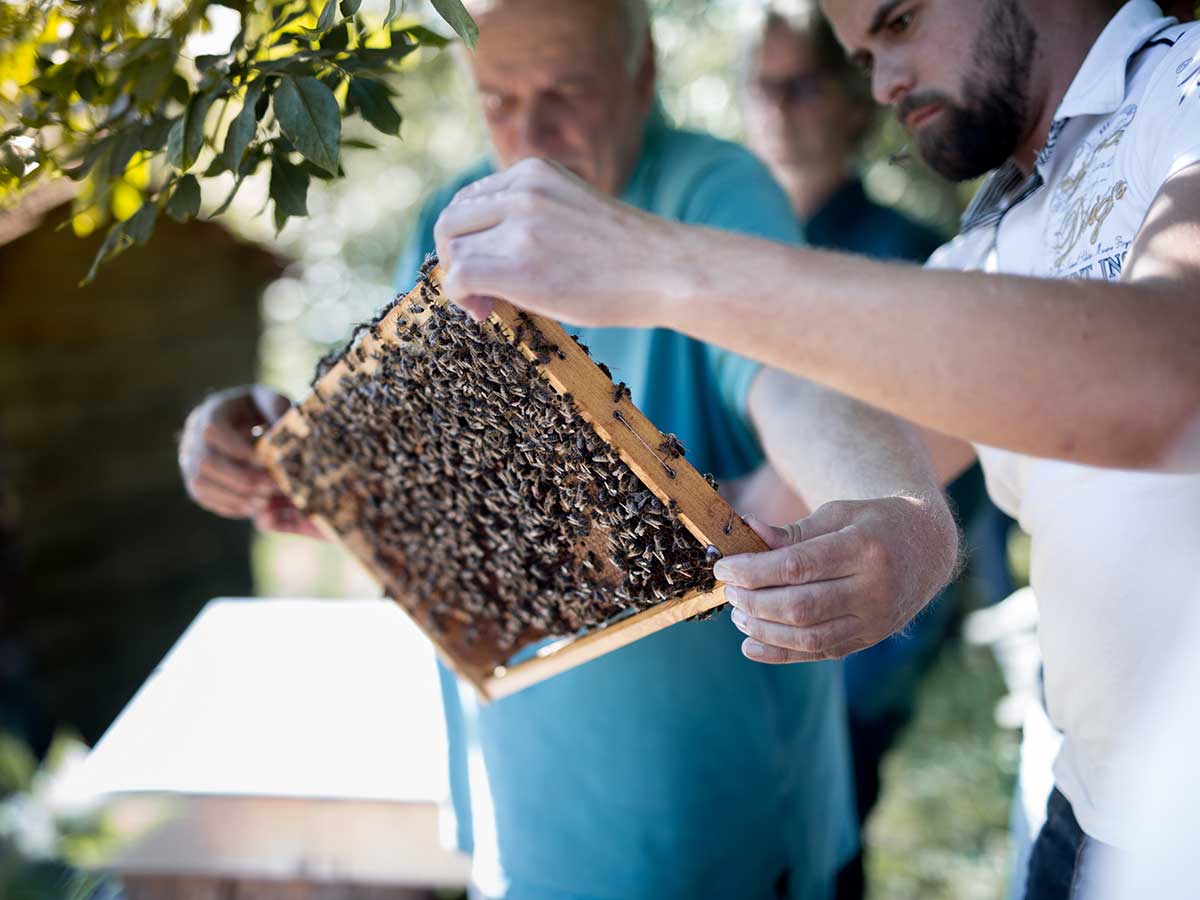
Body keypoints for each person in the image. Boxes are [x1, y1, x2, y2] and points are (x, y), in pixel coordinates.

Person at [178, 1, 960, 897]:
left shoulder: (711, 189)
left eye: (565, 92)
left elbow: (798, 374)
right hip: (522, 794)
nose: (529, 134)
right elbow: (421, 470)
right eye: (497, 98)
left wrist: (896, 508)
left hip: (713, 804)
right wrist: (284, 461)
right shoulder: (451, 214)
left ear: (643, 74)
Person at [431, 0, 1200, 896]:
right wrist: (886, 518)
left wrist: (664, 267)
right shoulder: (998, 232)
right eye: (863, 52)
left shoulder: (1187, 91)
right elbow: (850, 421)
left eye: (901, 23)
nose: (881, 85)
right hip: (1087, 806)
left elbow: (1164, 375)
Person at [743, 11, 962, 898]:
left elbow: (937, 468)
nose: (783, 109)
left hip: (861, 650)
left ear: (850, 102)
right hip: (741, 626)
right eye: (766, 86)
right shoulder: (732, 248)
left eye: (806, 84)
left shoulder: (911, 256)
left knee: (822, 859)